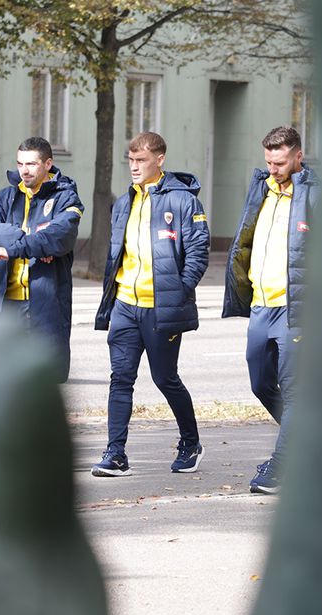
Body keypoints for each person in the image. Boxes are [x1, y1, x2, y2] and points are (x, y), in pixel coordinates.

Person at [92, 132, 211, 476]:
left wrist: (177, 292)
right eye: (130, 161)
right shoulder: (124, 202)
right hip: (126, 305)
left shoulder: (183, 201)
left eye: (141, 161)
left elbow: (198, 252)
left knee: (165, 378)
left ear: (160, 160)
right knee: (121, 377)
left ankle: (191, 442)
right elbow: (118, 254)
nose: (134, 167)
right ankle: (116, 453)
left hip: (162, 309)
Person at [222, 126, 319, 494]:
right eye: (268, 162)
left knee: (294, 392)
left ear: (298, 156)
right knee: (261, 382)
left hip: (297, 309)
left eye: (280, 162)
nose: (274, 169)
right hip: (261, 306)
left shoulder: (315, 194)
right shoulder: (261, 189)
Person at [0, 137, 84, 381]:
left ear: (48, 164)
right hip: (4, 303)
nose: (24, 171)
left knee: (44, 380)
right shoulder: (7, 196)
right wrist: (31, 239)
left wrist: (12, 249)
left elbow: (60, 236)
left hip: (44, 301)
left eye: (31, 164)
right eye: (20, 164)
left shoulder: (65, 198)